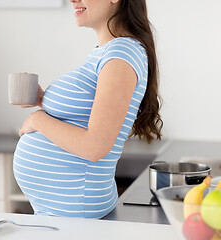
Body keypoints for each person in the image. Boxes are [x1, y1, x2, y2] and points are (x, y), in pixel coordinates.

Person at [13, 0, 163, 218]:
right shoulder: (109, 52)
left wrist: (38, 120)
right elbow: (85, 112)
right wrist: (45, 100)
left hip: (77, 210)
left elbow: (95, 146)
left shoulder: (121, 54)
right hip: (66, 211)